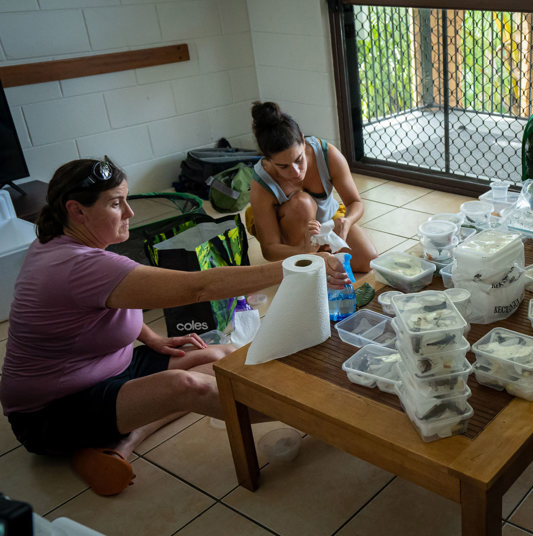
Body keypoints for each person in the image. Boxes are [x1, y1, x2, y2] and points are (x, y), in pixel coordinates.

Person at [0, 157, 349, 497]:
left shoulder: (59, 244)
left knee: (221, 356)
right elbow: (198, 288)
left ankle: (125, 439)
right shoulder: (77, 265)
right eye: (116, 204)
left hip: (106, 369)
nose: (130, 213)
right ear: (77, 211)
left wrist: (151, 337)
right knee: (184, 385)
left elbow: (96, 307)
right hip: (51, 413)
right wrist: (297, 265)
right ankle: (324, 419)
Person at [246, 101, 378, 272]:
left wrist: (347, 221)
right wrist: (303, 251)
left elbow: (355, 202)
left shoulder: (327, 154)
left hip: (325, 220)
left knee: (368, 260)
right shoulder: (261, 184)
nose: (295, 172)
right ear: (268, 159)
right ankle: (306, 263)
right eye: (283, 166)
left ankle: (317, 259)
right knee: (303, 203)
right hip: (287, 233)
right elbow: (269, 249)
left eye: (299, 159)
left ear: (302, 140)